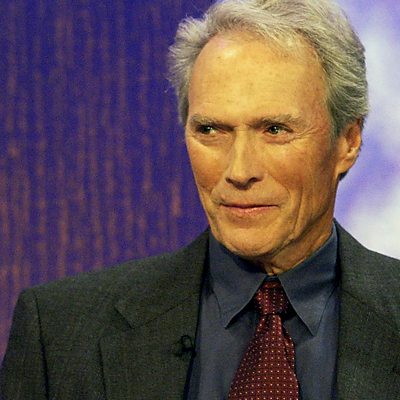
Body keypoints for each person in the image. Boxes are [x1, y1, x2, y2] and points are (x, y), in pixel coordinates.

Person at [1, 0, 399, 399]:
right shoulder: (59, 335)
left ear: (348, 142)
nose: (239, 171)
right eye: (211, 130)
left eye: (275, 130)